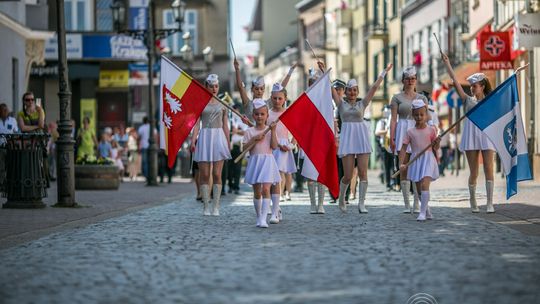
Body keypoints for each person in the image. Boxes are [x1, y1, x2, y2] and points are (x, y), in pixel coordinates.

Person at [323, 61, 393, 213]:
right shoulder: (341, 104)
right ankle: (342, 197)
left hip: (361, 138)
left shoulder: (363, 103)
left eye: (355, 90)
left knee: (362, 173)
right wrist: (324, 72)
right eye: (350, 90)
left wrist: (384, 72)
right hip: (347, 139)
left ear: (357, 91)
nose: (352, 93)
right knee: (347, 176)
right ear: (346, 92)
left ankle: (362, 203)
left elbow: (374, 88)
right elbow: (331, 89)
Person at [442, 53, 496, 213]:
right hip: (471, 135)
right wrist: (447, 63)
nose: (472, 88)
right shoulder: (467, 100)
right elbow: (455, 81)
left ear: (482, 86)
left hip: (487, 134)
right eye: (471, 85)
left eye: (475, 85)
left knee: (489, 167)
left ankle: (490, 202)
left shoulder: (491, 99)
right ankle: (473, 200)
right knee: (474, 170)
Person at [390, 67, 429, 214]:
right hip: (402, 130)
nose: (410, 80)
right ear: (403, 81)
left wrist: (431, 133)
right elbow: (393, 120)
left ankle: (416, 202)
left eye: (413, 78)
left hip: (418, 131)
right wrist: (392, 137)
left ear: (416, 80)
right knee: (404, 167)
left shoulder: (422, 98)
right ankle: (406, 203)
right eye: (408, 78)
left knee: (417, 167)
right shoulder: (396, 98)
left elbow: (428, 118)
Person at [190, 74, 231, 216]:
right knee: (205, 174)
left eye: (216, 86)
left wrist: (228, 141)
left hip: (219, 137)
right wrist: (193, 140)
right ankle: (206, 206)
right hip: (205, 137)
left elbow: (226, 125)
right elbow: (196, 124)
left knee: (217, 173)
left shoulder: (223, 104)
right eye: (211, 86)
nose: (214, 89)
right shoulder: (200, 103)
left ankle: (216, 206)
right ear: (206, 86)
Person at [399, 100, 441, 221]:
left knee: (424, 184)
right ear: (413, 115)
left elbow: (435, 148)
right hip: (416, 160)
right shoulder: (410, 132)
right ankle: (426, 209)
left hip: (428, 159)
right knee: (419, 189)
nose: (419, 117)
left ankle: (422, 213)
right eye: (416, 115)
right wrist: (402, 163)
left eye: (422, 114)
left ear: (426, 114)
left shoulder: (431, 130)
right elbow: (403, 148)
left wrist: (437, 143)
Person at [243, 98, 280, 228]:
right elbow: (244, 149)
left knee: (266, 189)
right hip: (255, 161)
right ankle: (258, 216)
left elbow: (274, 146)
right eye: (257, 114)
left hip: (268, 162)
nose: (260, 116)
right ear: (253, 115)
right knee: (257, 191)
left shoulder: (270, 131)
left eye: (262, 114)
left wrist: (273, 131)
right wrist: (254, 139)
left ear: (267, 116)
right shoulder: (249, 131)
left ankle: (264, 218)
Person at [267, 83, 296, 223]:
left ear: (285, 98)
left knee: (277, 177)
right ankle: (276, 207)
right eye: (274, 98)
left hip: (283, 148)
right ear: (271, 98)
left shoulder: (289, 113)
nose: (277, 101)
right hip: (271, 147)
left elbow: (296, 133)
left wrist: (291, 145)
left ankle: (275, 211)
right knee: (272, 179)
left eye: (280, 98)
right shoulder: (267, 113)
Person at [228, 103, 248, 194]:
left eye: (236, 109)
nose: (235, 111)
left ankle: (236, 186)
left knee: (237, 167)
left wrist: (237, 131)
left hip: (238, 145)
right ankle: (230, 186)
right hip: (229, 145)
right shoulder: (229, 119)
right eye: (233, 109)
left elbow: (245, 132)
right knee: (229, 167)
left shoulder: (241, 120)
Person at [375, 105, 395, 191]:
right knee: (387, 166)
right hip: (384, 146)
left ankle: (394, 183)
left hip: (393, 145)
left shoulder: (393, 120)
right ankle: (388, 184)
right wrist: (387, 131)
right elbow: (377, 132)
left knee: (393, 166)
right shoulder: (381, 122)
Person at [0, 103, 19, 186]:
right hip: (0, 148)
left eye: (6, 110)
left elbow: (17, 132)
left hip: (11, 147)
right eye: (3, 110)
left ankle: (9, 183)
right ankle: (2, 184)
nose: (6, 111)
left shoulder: (13, 120)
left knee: (10, 166)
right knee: (1, 167)